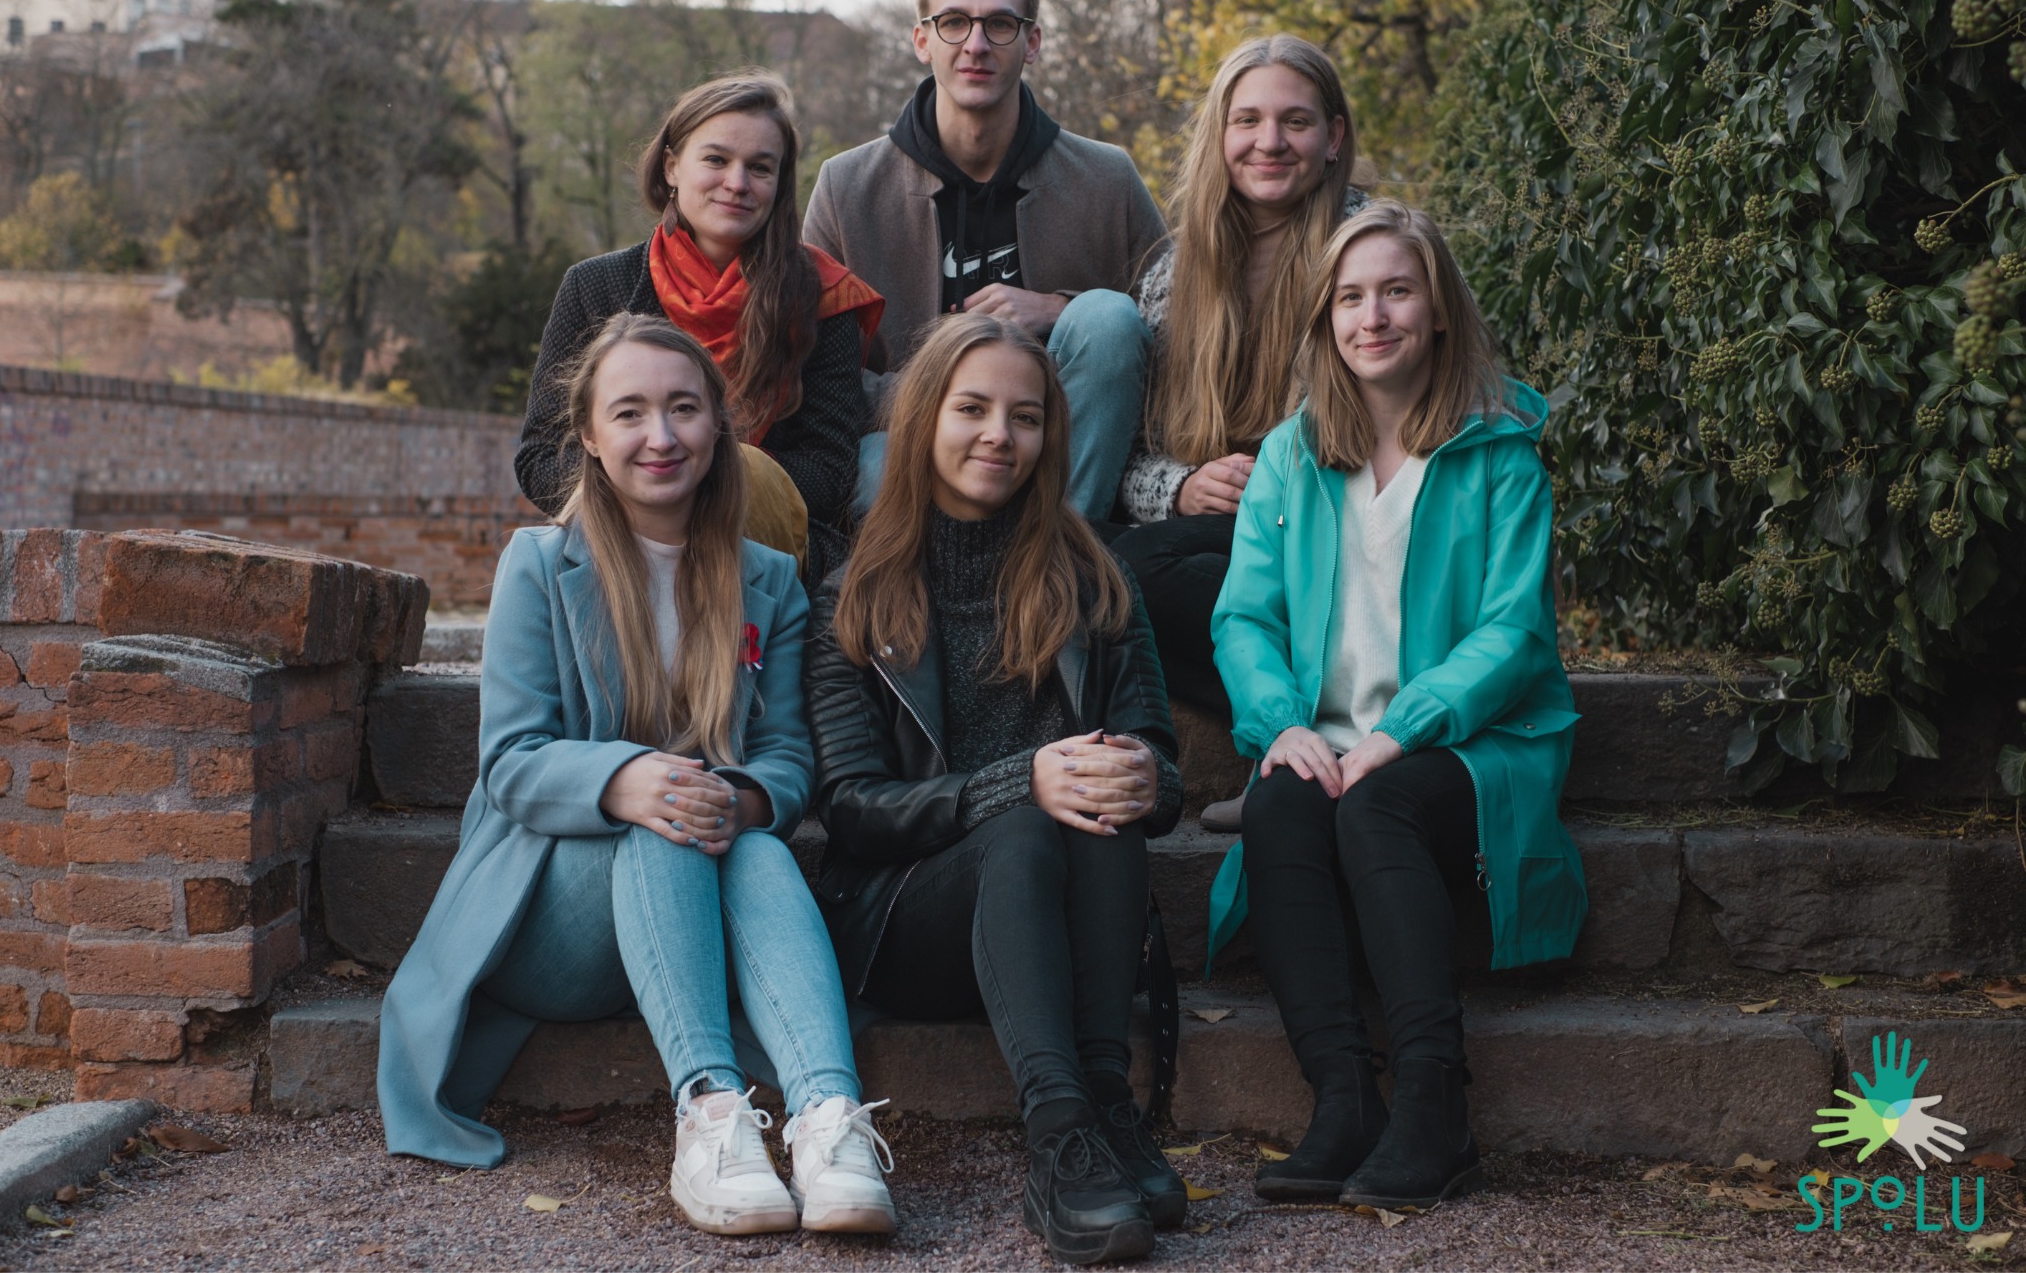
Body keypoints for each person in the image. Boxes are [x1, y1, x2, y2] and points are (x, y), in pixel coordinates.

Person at [381, 314, 896, 1239]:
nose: (660, 435)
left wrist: (742, 799)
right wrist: (629, 781)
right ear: (589, 434)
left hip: (699, 911)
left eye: (683, 408)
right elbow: (510, 762)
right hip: (553, 918)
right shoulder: (539, 565)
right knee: (670, 811)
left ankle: (829, 1122)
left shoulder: (769, 579)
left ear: (717, 426)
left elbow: (786, 760)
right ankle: (709, 1115)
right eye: (630, 412)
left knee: (742, 836)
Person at [1206, 201, 1587, 1211]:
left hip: (1475, 741)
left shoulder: (1498, 451)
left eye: (1396, 292)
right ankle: (1343, 1103)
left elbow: (1512, 635)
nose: (1371, 316)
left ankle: (1434, 1107)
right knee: (1280, 801)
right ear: (1325, 318)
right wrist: (1280, 724)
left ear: (1439, 310)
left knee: (1376, 803)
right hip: (1326, 738)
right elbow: (1243, 618)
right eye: (1349, 297)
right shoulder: (1291, 455)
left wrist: (1402, 730)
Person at [803, 312, 1186, 1264]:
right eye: (972, 409)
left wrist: (1145, 774)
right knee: (1025, 819)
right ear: (924, 420)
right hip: (907, 918)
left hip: (1066, 912)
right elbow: (849, 806)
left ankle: (1106, 1100)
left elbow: (1163, 772)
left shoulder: (1095, 580)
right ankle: (1058, 1134)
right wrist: (1019, 780)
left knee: (1098, 788)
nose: (998, 436)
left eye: (1025, 416)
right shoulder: (853, 596)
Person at [803, 0, 1164, 523]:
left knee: (1106, 316)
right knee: (872, 466)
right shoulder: (846, 187)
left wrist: (1061, 309)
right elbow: (816, 369)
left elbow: (1176, 333)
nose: (975, 44)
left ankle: (1066, 557)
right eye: (953, 22)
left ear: (1032, 42)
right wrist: (939, 395)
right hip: (914, 451)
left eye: (999, 24)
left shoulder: (1107, 178)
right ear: (922, 40)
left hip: (1063, 456)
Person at [516, 71, 884, 584]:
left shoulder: (824, 297)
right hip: (623, 544)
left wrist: (705, 483)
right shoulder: (595, 286)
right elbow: (541, 456)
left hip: (767, 552)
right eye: (716, 159)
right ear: (672, 166)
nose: (737, 183)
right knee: (531, 558)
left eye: (760, 167)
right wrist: (654, 492)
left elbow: (830, 471)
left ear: (780, 184)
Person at [1109, 36, 1368, 752]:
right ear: (1219, 135)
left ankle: (1310, 727)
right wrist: (1183, 487)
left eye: (1295, 121)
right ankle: (1309, 723)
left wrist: (1283, 486)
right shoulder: (1175, 271)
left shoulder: (1371, 250)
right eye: (1247, 120)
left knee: (1139, 573)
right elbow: (1131, 455)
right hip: (1212, 540)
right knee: (1093, 566)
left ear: (1333, 137)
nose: (1270, 142)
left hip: (1333, 534)